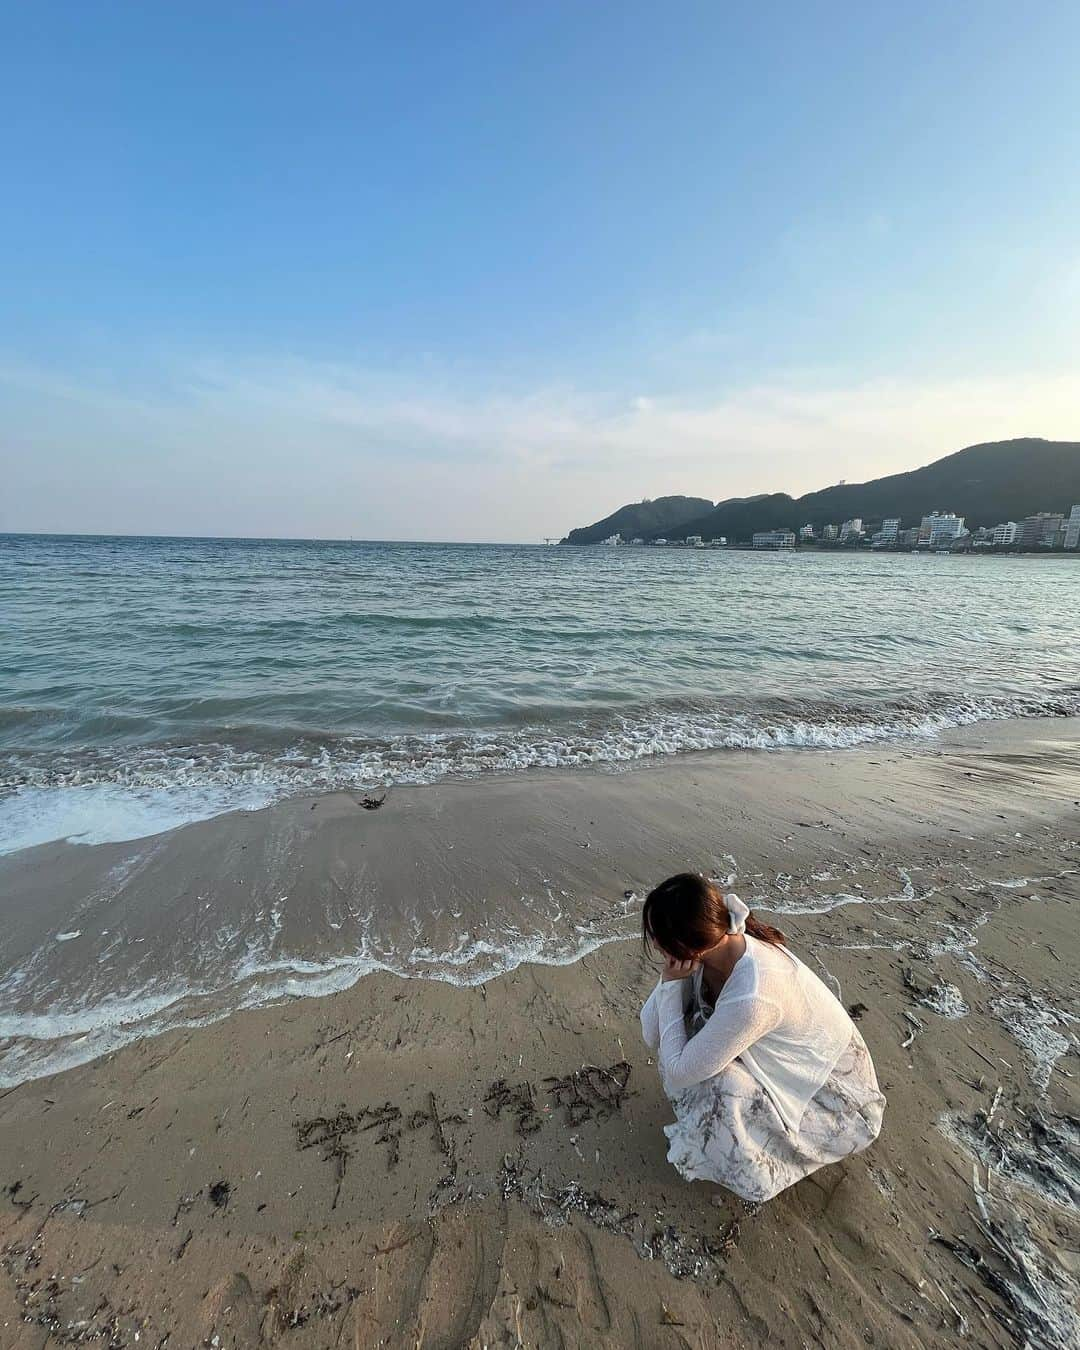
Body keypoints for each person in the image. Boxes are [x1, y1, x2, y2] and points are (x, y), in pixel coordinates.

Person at [639, 872, 884, 1205]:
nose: (654, 944)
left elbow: (680, 1071)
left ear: (687, 945)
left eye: (657, 937)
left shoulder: (753, 992)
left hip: (837, 1104)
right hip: (797, 1071)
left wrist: (671, 986)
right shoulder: (711, 951)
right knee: (688, 1033)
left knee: (715, 1082)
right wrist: (670, 982)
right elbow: (650, 1031)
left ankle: (758, 1171)